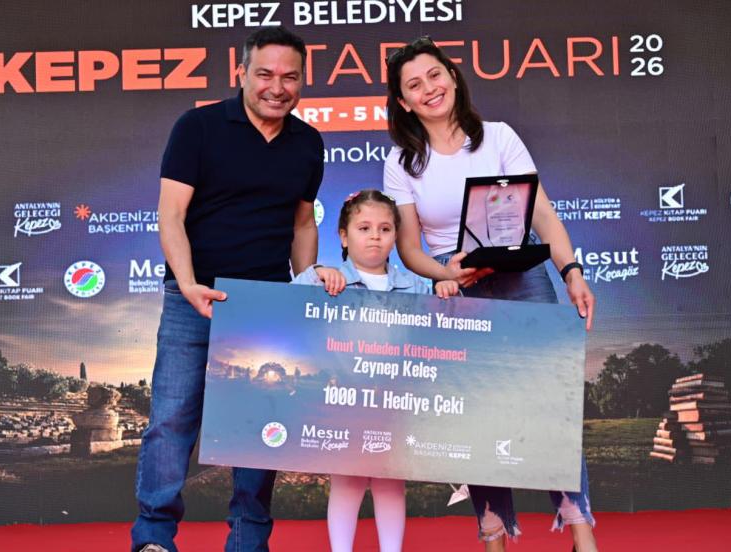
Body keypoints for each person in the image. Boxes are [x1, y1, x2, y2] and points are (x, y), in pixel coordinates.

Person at [131, 26, 345, 552]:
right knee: (171, 420)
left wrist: (303, 283)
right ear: (242, 73)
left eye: (290, 77)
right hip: (192, 300)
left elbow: (302, 224)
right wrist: (188, 284)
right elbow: (171, 215)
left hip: (266, 305)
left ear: (302, 81)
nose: (277, 87)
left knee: (260, 426)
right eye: (265, 74)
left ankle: (249, 540)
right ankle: (154, 537)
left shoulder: (308, 143)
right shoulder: (198, 127)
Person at [382, 37, 599, 552]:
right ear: (404, 102)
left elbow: (541, 213)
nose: (429, 88)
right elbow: (408, 248)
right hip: (456, 288)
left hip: (523, 277)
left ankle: (581, 533)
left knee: (550, 403)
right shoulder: (401, 162)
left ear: (453, 76)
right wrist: (445, 273)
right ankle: (494, 536)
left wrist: (571, 270)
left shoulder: (499, 136)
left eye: (435, 75)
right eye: (414, 85)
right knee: (476, 413)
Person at [293, 189, 458, 552]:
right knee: (346, 482)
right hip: (344, 402)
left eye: (385, 229)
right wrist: (317, 272)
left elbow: (445, 324)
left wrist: (446, 288)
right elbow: (288, 298)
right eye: (364, 228)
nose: (375, 237)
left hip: (395, 404)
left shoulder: (415, 285)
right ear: (343, 236)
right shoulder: (329, 281)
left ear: (396, 236)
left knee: (390, 483)